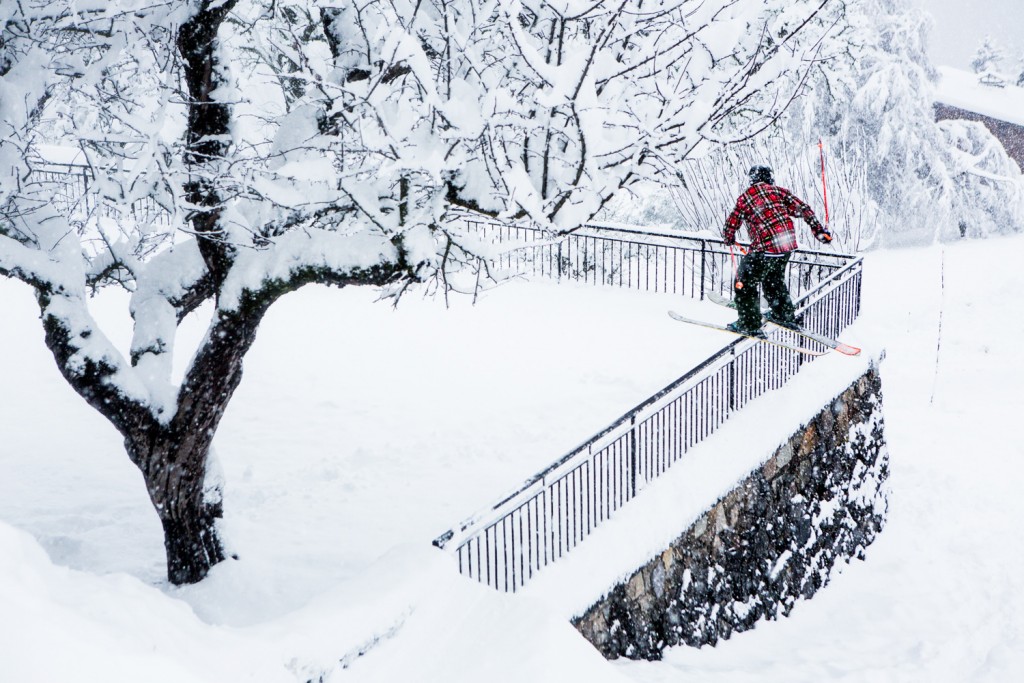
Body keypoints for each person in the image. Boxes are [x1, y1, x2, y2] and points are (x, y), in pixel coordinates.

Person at [721, 165, 832, 337]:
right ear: (769, 178)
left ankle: (748, 323)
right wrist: (820, 232)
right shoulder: (780, 192)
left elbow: (731, 223)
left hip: (764, 249)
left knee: (744, 284)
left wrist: (728, 237)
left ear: (752, 180)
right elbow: (804, 209)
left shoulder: (746, 198)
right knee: (773, 280)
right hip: (785, 247)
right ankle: (784, 314)